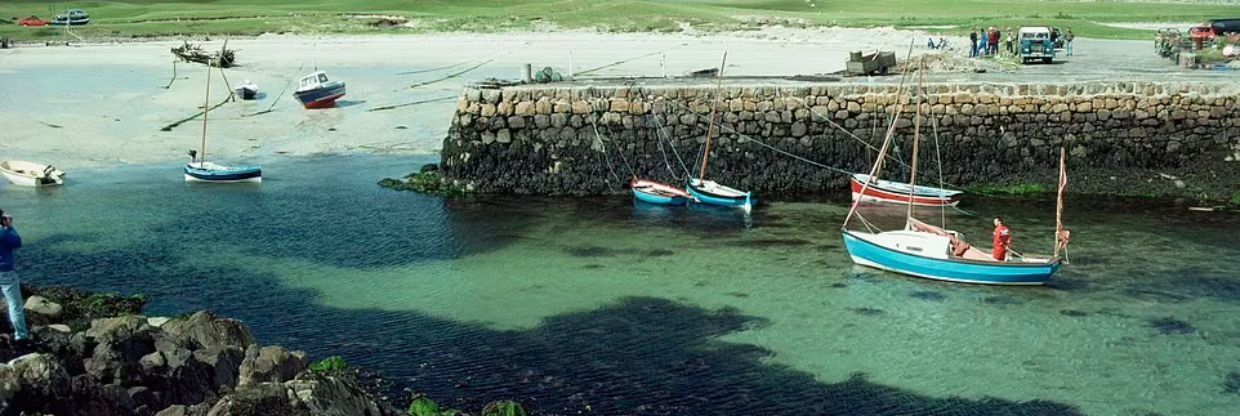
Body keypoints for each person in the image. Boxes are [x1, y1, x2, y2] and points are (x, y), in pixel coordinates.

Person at [0, 210, 26, 342]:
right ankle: (21, 335)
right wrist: (10, 227)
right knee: (14, 304)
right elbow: (18, 242)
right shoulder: (3, 233)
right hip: (5, 272)